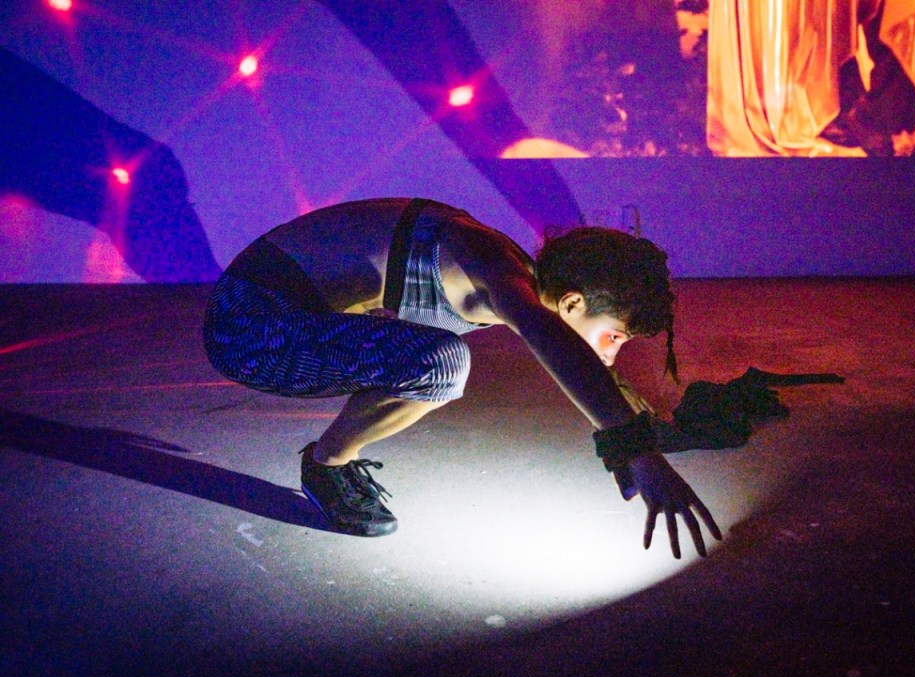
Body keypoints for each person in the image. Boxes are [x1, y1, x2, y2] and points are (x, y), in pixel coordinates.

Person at [202, 197, 720, 559]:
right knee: (442, 363)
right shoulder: (494, 269)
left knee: (430, 358)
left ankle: (329, 459)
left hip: (285, 316)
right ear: (571, 304)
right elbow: (555, 345)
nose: (611, 354)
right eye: (614, 337)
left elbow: (581, 363)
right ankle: (326, 466)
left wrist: (637, 432)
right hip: (245, 327)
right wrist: (637, 452)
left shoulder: (509, 269)